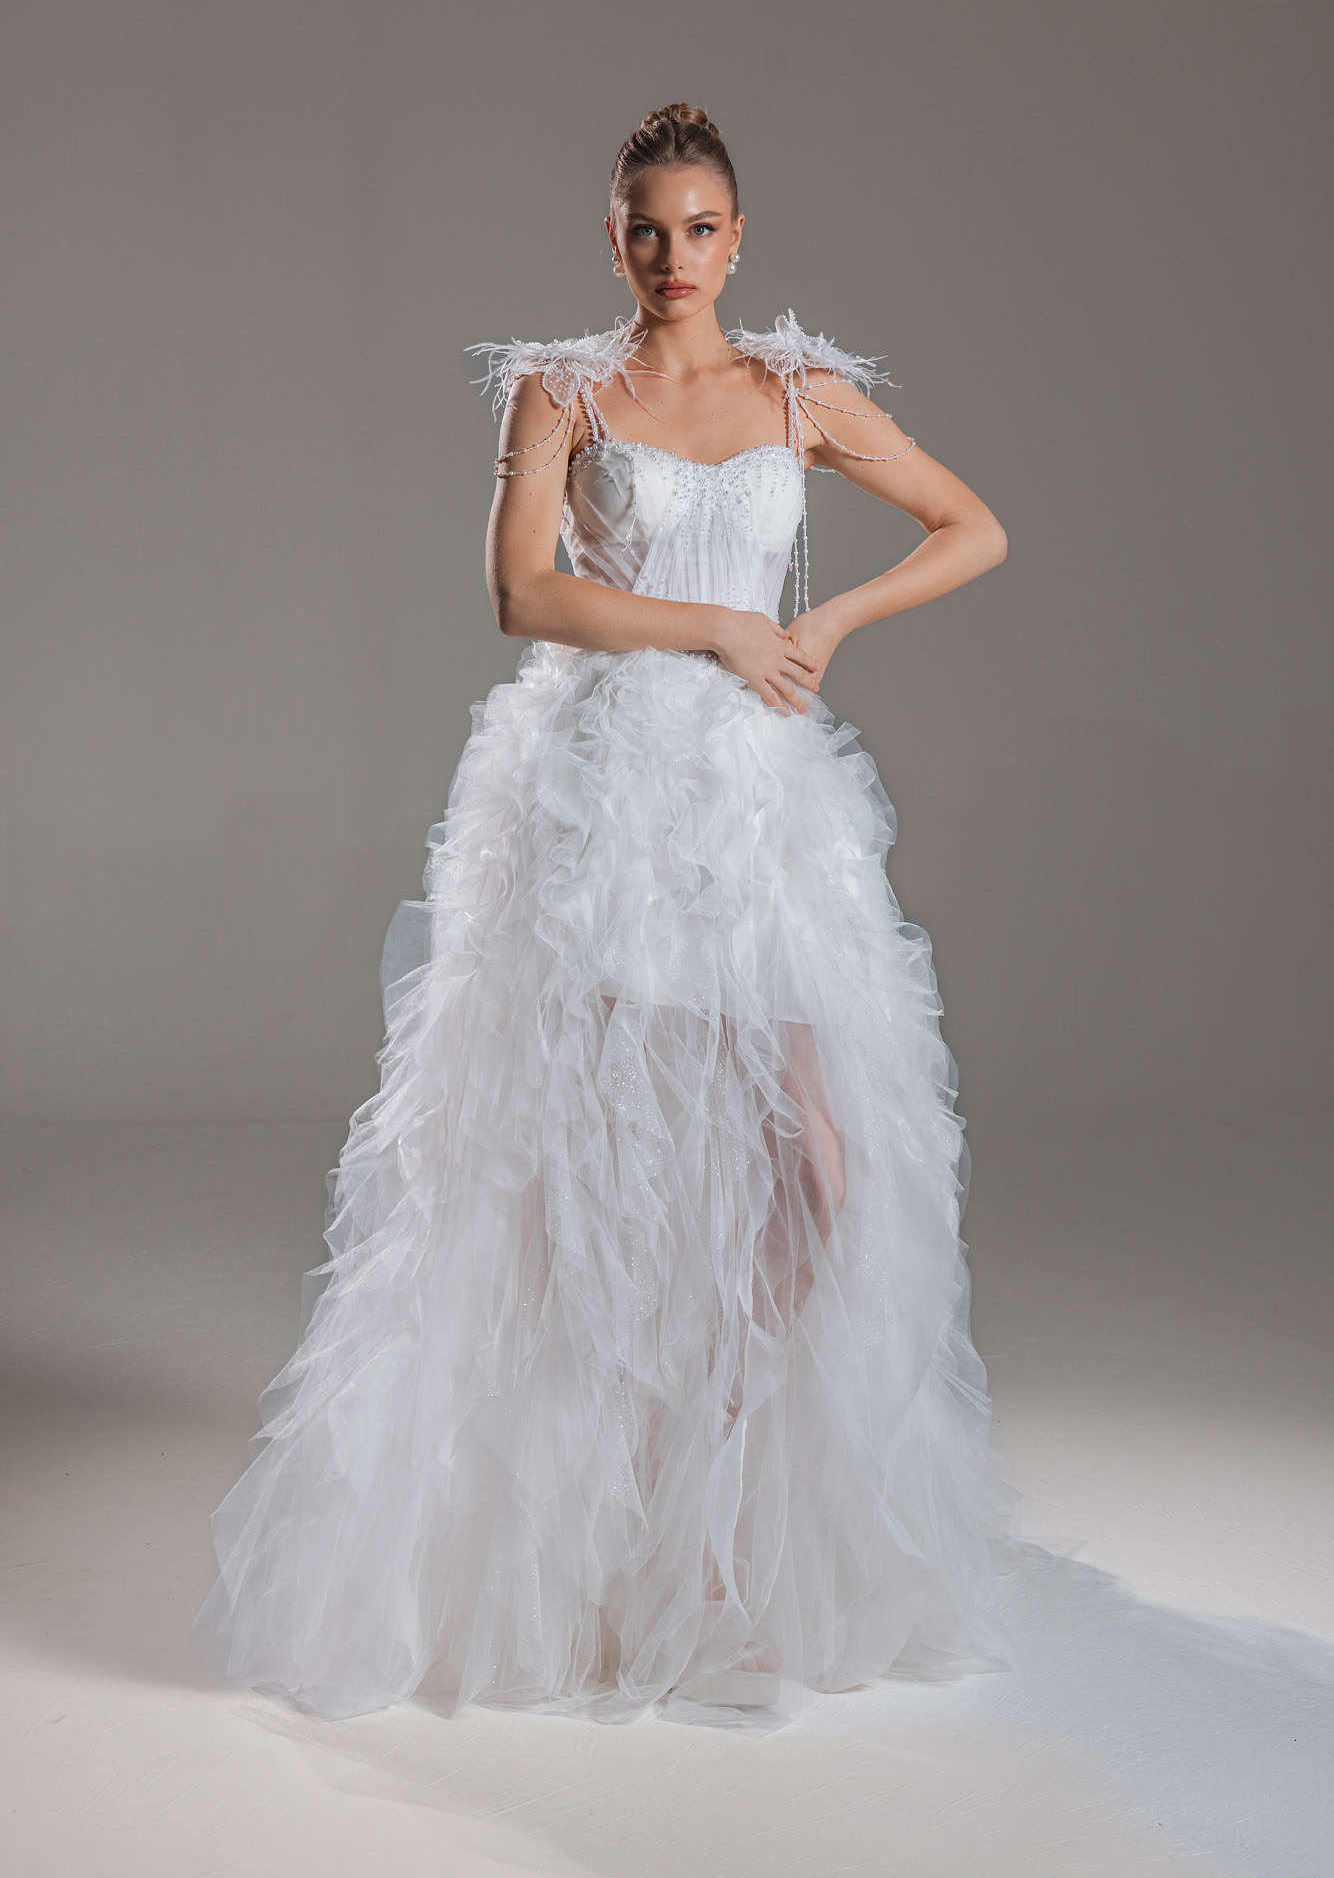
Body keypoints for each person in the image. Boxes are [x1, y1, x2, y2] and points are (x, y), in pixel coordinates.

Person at [194, 103, 1012, 1722]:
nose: (671, 255)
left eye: (699, 228)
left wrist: (826, 622)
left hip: (756, 809)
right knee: (600, 1168)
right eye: (645, 228)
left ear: (738, 240)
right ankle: (607, 1532)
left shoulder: (797, 395)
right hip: (601, 802)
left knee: (815, 1172)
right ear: (612, 238)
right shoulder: (559, 389)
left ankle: (712, 1502)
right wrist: (717, 627)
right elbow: (523, 592)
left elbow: (971, 526)